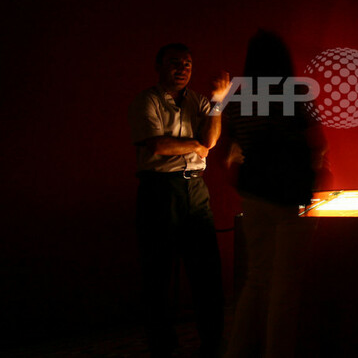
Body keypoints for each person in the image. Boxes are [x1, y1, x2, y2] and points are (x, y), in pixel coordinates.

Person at [224, 30, 325, 357]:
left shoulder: (237, 98)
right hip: (290, 192)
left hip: (253, 193)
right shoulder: (295, 92)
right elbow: (317, 141)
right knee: (286, 288)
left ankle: (237, 350)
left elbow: (231, 146)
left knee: (256, 279)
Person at [128, 43, 230, 357]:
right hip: (160, 189)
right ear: (158, 66)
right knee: (158, 271)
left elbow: (209, 141)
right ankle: (162, 344)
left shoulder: (200, 101)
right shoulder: (147, 100)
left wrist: (217, 102)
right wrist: (195, 146)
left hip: (195, 188)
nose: (182, 69)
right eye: (175, 62)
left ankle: (212, 342)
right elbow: (158, 146)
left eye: (187, 64)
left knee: (206, 269)